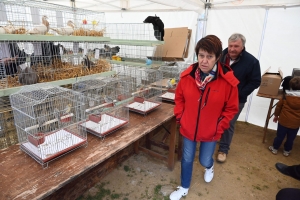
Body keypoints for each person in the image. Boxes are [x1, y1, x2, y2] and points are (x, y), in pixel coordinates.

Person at [170, 35, 239, 200]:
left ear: (217, 58)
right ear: (197, 56)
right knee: (187, 158)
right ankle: (184, 187)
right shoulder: (186, 77)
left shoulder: (227, 82)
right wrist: (180, 117)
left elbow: (231, 108)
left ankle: (209, 166)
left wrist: (218, 126)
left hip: (211, 130)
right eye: (201, 55)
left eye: (209, 56)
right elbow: (179, 99)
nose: (204, 60)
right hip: (189, 127)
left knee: (204, 159)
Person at [217, 33, 261, 162]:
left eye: (236, 46)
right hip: (218, 96)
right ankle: (211, 140)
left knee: (229, 124)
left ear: (242, 47)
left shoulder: (252, 61)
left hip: (237, 100)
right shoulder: (220, 56)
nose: (232, 49)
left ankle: (223, 150)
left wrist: (240, 93)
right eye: (230, 45)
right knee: (214, 118)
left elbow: (255, 81)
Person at [269, 77, 300, 156]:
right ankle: (287, 151)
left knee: (279, 136)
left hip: (283, 121)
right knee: (291, 138)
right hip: (295, 124)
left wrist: (276, 116)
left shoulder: (285, 97)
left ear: (290, 86)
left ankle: (275, 148)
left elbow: (278, 107)